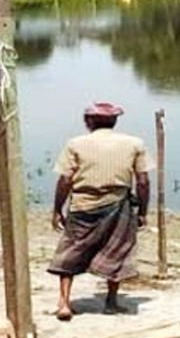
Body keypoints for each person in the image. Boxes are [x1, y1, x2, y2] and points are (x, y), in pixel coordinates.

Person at [48, 102, 151, 321]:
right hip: (119, 204)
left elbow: (65, 179)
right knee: (117, 251)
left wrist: (57, 209)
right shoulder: (134, 144)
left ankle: (64, 303)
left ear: (88, 122)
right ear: (114, 121)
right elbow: (143, 181)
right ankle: (111, 302)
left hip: (83, 206)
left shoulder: (75, 144)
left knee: (70, 252)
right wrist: (143, 211)